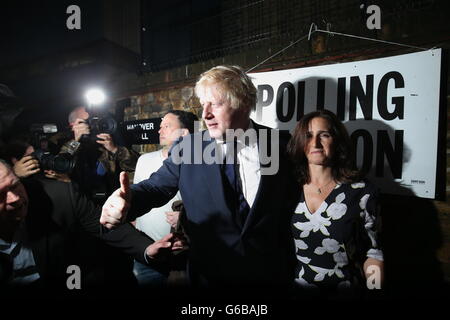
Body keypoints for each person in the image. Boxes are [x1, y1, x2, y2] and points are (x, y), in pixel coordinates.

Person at [100, 65, 298, 296]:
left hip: (271, 279)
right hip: (209, 280)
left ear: (243, 102)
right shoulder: (189, 148)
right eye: (203, 104)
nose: (206, 114)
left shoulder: (283, 145)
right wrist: (127, 201)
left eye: (215, 103)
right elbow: (155, 187)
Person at [0, 158, 176, 297]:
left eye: (15, 185)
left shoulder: (58, 194)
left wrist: (146, 248)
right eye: (1, 194)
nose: (14, 198)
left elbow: (103, 224)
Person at [287, 109, 384, 298]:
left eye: (324, 135)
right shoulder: (289, 188)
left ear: (337, 141)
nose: (315, 143)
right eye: (308, 136)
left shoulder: (362, 192)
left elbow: (374, 254)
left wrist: (375, 292)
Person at [132, 109, 198, 287]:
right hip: (147, 252)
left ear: (184, 133)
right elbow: (140, 198)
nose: (160, 131)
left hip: (182, 254)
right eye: (160, 127)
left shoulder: (201, 164)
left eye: (167, 126)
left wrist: (186, 218)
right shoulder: (144, 160)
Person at [60, 106, 138, 204]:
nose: (91, 125)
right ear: (72, 125)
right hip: (81, 203)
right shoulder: (63, 143)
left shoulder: (106, 142)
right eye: (86, 122)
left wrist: (115, 149)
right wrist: (75, 141)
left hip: (109, 202)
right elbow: (59, 165)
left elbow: (136, 165)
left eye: (94, 120)